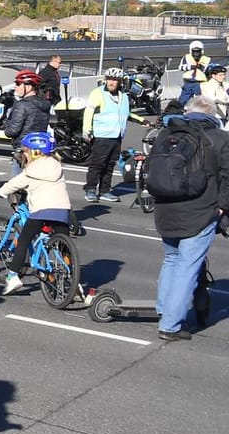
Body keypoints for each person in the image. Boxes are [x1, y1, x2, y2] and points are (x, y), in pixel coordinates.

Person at [149, 97, 229, 342]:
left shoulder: (167, 133)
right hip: (200, 211)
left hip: (165, 209)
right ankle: (170, 325)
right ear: (213, 115)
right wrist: (222, 208)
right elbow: (227, 177)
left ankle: (164, 309)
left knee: (171, 259)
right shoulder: (220, 138)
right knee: (188, 267)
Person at [0, 132, 73, 297]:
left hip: (41, 211)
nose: (24, 153)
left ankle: (13, 276)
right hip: (62, 210)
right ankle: (72, 278)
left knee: (23, 240)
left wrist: (0, 191)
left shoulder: (32, 169)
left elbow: (14, 184)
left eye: (26, 150)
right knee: (64, 246)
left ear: (35, 152)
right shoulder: (57, 166)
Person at [82, 68, 131, 202]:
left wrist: (142, 120)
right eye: (109, 79)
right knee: (97, 164)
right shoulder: (98, 93)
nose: (111, 82)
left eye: (115, 80)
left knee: (109, 165)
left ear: (120, 82)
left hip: (117, 135)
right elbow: (89, 111)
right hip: (102, 135)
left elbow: (126, 113)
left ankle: (104, 191)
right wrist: (87, 130)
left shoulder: (124, 96)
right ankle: (90, 189)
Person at [0, 70, 52, 176]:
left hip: (23, 151)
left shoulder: (22, 105)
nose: (16, 87)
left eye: (18, 83)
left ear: (28, 86)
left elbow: (11, 131)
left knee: (18, 183)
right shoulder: (45, 104)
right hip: (39, 150)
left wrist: (5, 122)